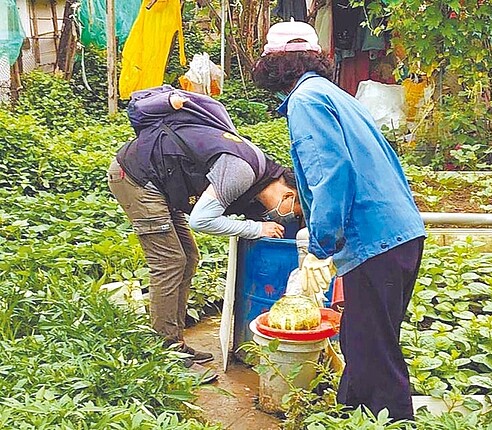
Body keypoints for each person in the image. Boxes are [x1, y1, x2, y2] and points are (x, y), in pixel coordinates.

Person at [252, 21, 426, 421]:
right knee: (362, 338)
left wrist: (320, 246)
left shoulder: (306, 102)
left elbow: (331, 173)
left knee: (374, 350)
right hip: (399, 232)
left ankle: (396, 421)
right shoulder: (333, 93)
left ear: (276, 64)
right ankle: (349, 412)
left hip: (376, 238)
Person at [107, 85, 302, 377]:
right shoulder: (243, 171)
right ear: (288, 196)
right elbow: (202, 220)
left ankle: (175, 341)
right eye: (293, 212)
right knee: (169, 261)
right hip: (136, 178)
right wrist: (255, 228)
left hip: (161, 184)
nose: (284, 217)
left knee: (188, 256)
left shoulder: (260, 169)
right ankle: (165, 353)